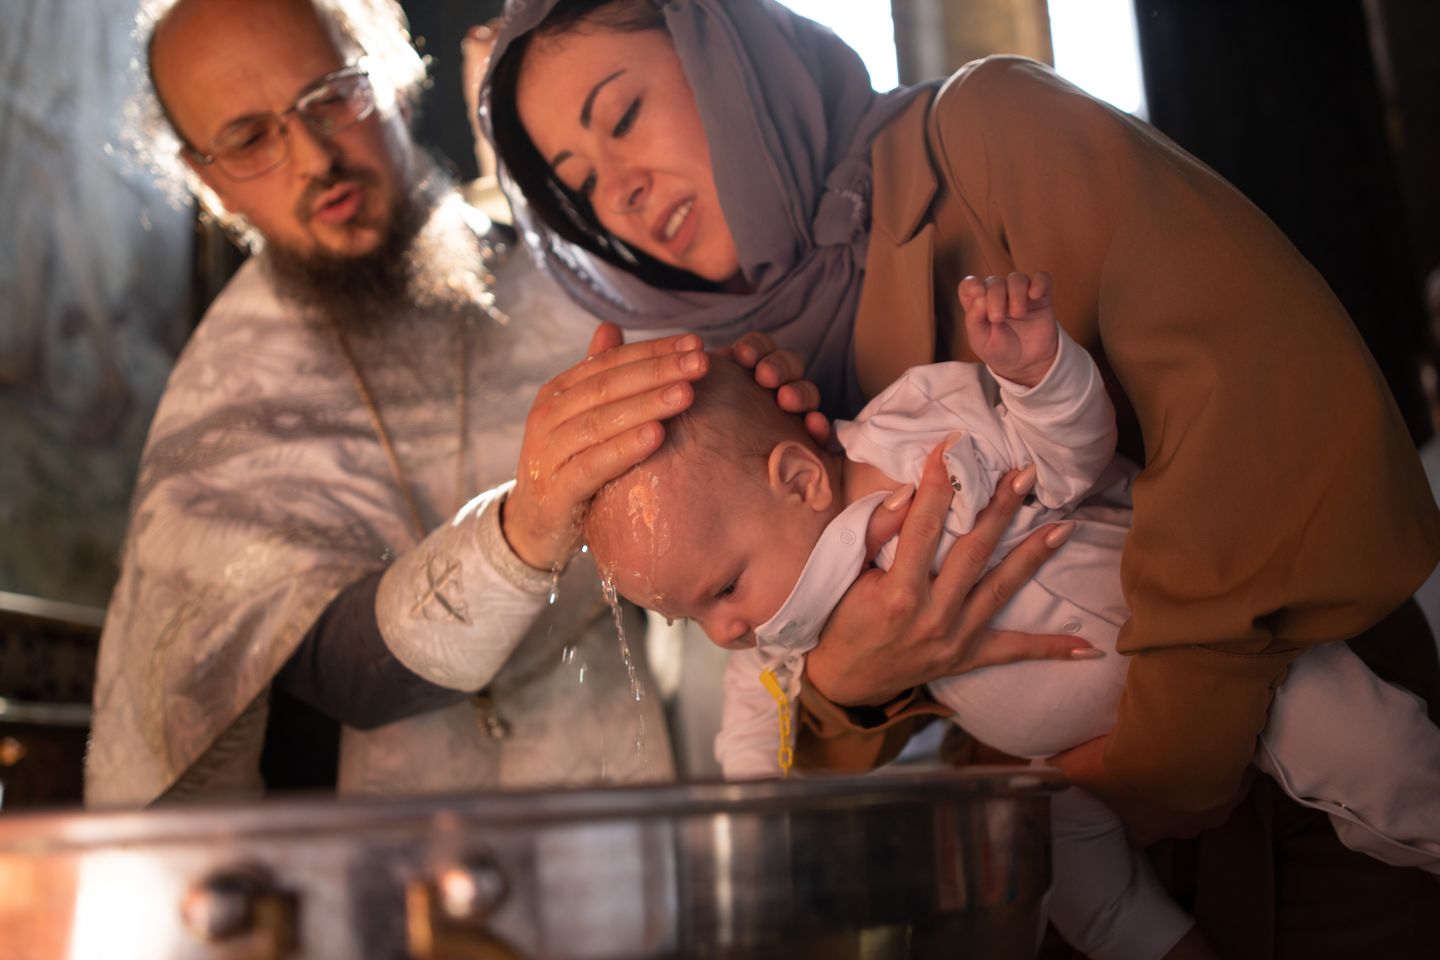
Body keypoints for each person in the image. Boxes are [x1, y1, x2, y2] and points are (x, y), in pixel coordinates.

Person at [478, 0, 1440, 953]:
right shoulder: (730, 388)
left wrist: (1163, 751)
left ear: (724, 54)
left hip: (1312, 783)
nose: (620, 196)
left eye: (623, 115)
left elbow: (1251, 390)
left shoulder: (990, 135)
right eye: (580, 185)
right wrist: (846, 681)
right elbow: (799, 721)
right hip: (1068, 844)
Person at [84, 0, 838, 806]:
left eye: (332, 97)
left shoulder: (578, 274)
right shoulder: (223, 403)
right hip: (400, 842)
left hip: (646, 774)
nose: (314, 158)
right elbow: (335, 670)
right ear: (207, 179)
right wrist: (521, 531)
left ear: (396, 80)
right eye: (249, 139)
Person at [584, 271, 1440, 959]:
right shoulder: (783, 635)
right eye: (690, 619)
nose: (726, 632)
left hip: (1216, 648)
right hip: (1068, 766)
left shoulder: (918, 429)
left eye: (722, 591)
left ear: (801, 481)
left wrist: (1040, 377)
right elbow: (750, 742)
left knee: (1380, 756)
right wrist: (755, 826)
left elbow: (1069, 461)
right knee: (1057, 864)